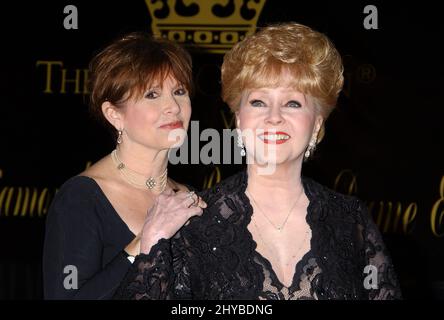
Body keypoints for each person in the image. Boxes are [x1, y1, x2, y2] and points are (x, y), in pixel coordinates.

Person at [113, 23, 402, 300]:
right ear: (239, 119)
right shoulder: (194, 224)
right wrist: (151, 244)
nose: (274, 117)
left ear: (315, 124)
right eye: (259, 102)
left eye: (292, 103)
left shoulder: (351, 220)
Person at [43, 32, 206, 299]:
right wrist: (143, 243)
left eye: (179, 91)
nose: (173, 107)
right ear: (114, 115)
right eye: (152, 94)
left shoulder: (188, 198)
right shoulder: (81, 198)